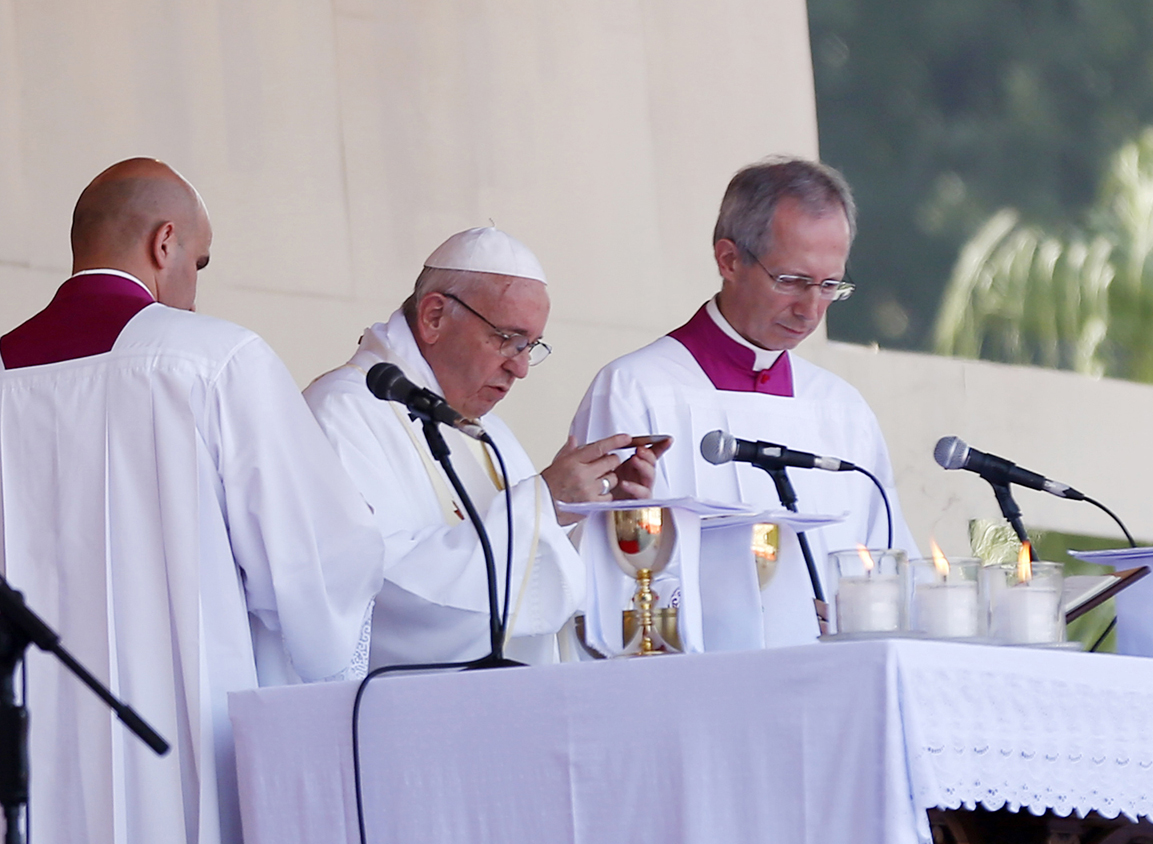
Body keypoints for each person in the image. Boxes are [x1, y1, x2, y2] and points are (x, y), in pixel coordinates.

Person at [0, 158, 384, 844]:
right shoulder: (216, 360)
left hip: (25, 745)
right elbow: (315, 570)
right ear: (164, 243)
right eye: (199, 264)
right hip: (177, 741)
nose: (195, 291)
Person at [570, 157, 918, 646]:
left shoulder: (842, 409)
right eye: (792, 281)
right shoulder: (636, 389)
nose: (810, 309)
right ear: (729, 260)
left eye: (829, 286)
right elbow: (607, 579)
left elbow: (890, 567)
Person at [304, 227, 668, 666]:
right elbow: (383, 592)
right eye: (507, 339)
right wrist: (542, 503)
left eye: (530, 346)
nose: (520, 367)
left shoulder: (489, 433)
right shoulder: (343, 411)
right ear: (434, 316)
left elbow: (541, 598)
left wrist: (592, 514)